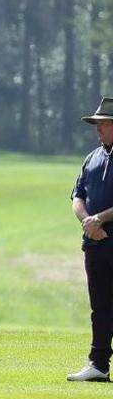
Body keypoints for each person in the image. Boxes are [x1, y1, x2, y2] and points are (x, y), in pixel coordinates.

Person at [68, 98, 113, 381]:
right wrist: (88, 221)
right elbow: (77, 195)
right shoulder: (93, 157)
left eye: (103, 124)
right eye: (96, 125)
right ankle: (98, 364)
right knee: (100, 306)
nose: (98, 130)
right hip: (95, 243)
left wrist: (101, 218)